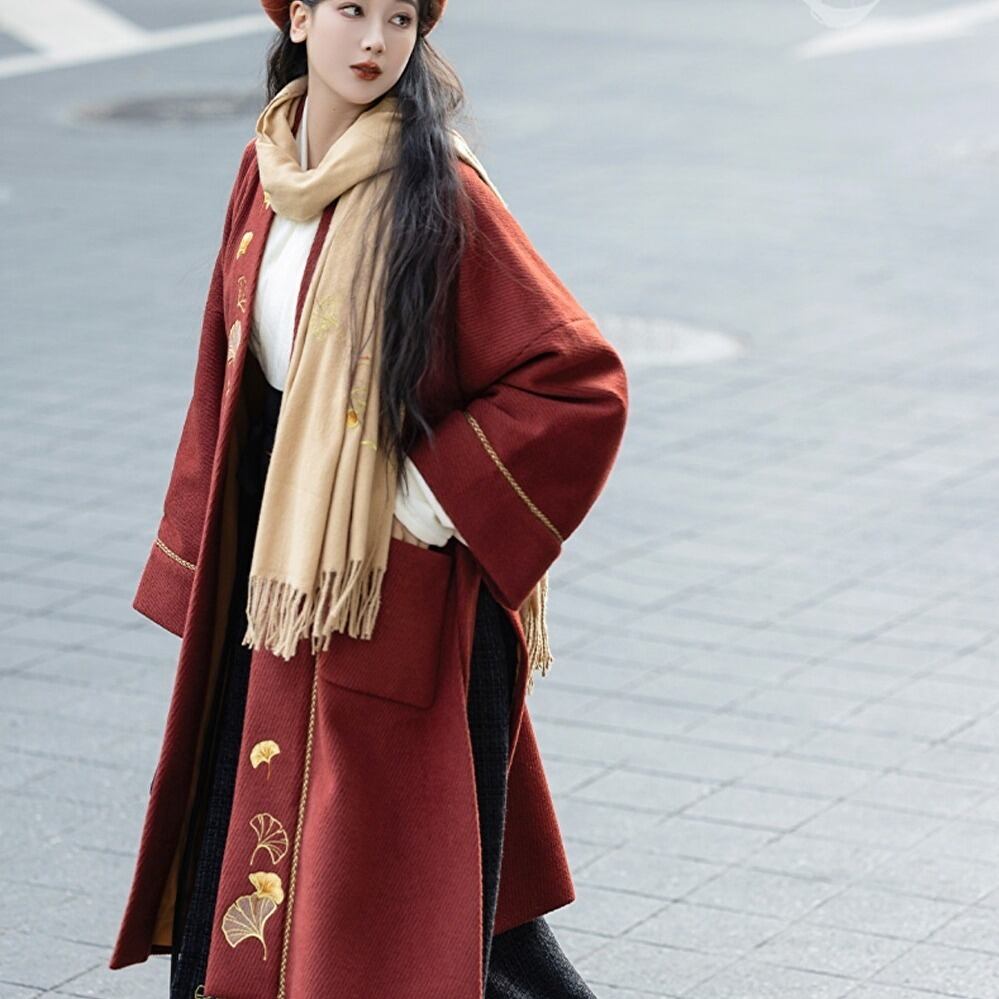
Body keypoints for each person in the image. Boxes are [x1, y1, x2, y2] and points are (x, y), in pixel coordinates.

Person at [107, 1, 629, 996]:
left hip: (390, 593)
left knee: (404, 911)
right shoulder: (265, 174)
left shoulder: (437, 191)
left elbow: (577, 383)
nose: (376, 40)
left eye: (399, 17)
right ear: (300, 19)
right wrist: (196, 560)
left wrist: (422, 502)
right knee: (270, 878)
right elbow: (230, 382)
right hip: (279, 584)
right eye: (352, 9)